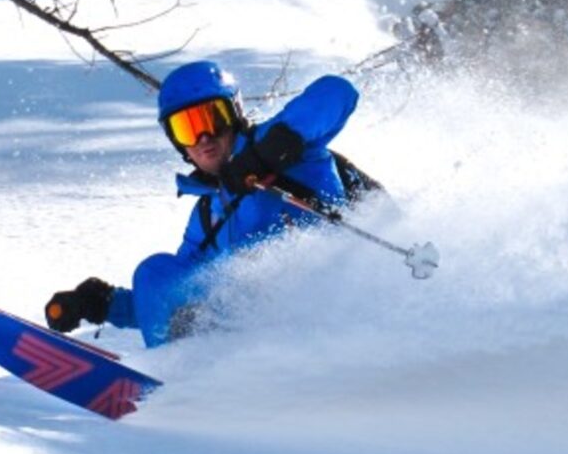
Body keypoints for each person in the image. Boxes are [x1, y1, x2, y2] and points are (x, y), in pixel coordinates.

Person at [45, 60, 361, 347]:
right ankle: (183, 376)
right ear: (177, 142)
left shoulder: (286, 150)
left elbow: (337, 93)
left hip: (332, 302)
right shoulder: (209, 214)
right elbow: (175, 299)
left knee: (156, 272)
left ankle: (176, 378)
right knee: (155, 273)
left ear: (235, 115)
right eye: (188, 129)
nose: (204, 138)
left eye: (214, 120)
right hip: (261, 330)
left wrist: (269, 150)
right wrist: (106, 305)